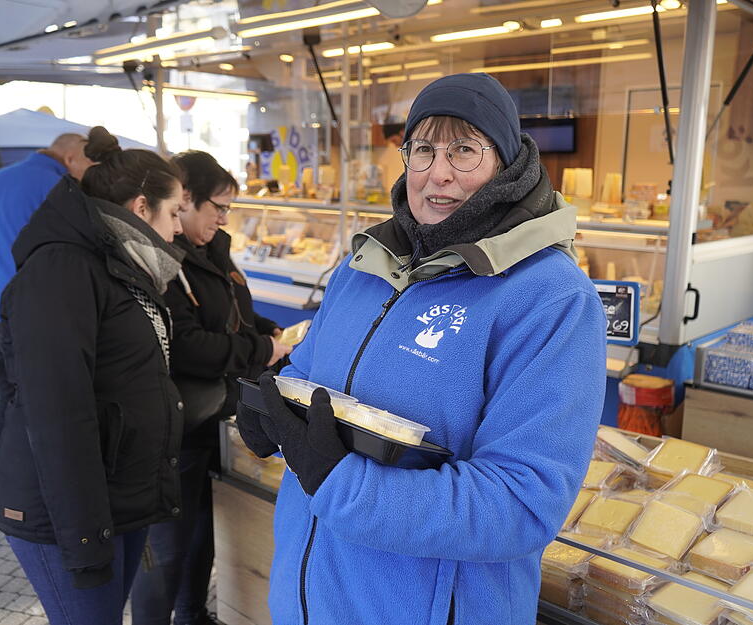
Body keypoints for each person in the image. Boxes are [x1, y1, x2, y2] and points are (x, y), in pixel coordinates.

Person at [236, 73, 607, 624]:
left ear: (506, 165)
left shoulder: (550, 299)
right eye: (423, 149)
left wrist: (343, 485)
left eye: (464, 150)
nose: (439, 173)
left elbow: (522, 503)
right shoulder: (362, 267)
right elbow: (307, 376)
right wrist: (272, 403)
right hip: (308, 604)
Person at [0, 126, 187, 625]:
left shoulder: (118, 265)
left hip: (113, 498)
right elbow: (57, 413)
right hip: (68, 513)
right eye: (174, 212)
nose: (179, 229)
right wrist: (83, 538)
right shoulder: (61, 270)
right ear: (141, 207)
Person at [131, 150, 292, 625]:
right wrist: (261, 348)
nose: (223, 219)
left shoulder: (213, 248)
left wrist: (266, 328)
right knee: (168, 544)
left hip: (217, 411)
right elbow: (186, 345)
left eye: (228, 209)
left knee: (201, 528)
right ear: (184, 200)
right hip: (183, 419)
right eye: (217, 207)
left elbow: (229, 307)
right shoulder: (166, 259)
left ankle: (191, 613)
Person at [0, 133, 93, 438]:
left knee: (7, 397)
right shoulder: (59, 187)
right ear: (70, 159)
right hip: (27, 312)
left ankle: (6, 463)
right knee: (38, 403)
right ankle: (27, 466)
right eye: (87, 165)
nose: (88, 174)